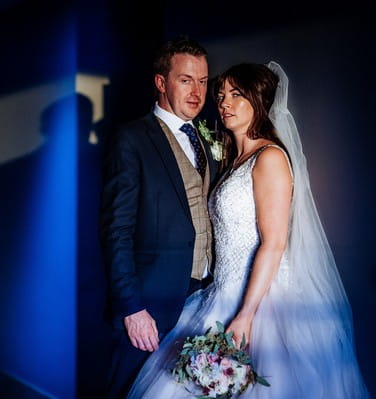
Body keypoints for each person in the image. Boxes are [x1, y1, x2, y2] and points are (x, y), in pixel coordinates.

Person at [126, 62, 370, 398]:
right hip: (219, 293)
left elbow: (274, 243)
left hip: (260, 301)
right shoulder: (231, 160)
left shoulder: (269, 158)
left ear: (259, 100)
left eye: (236, 95)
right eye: (222, 95)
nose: (224, 103)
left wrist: (246, 314)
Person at [99, 37, 219, 399]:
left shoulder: (207, 135)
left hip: (205, 296)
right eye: (186, 80)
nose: (197, 92)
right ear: (161, 82)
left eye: (203, 81)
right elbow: (115, 231)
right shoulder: (131, 139)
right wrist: (133, 308)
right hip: (150, 305)